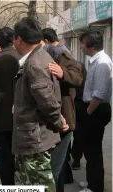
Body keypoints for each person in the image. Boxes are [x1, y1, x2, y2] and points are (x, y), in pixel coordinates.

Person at [12, 17, 69, 192]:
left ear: (19, 39)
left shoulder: (34, 63)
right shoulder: (40, 57)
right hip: (33, 137)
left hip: (34, 140)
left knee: (40, 185)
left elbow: (47, 101)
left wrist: (59, 122)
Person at [45, 45, 83, 192]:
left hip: (65, 119)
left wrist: (63, 73)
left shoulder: (66, 59)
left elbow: (79, 79)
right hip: (49, 120)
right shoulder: (39, 58)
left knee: (57, 165)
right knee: (56, 166)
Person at [0, 27, 21, 185]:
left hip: (3, 118)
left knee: (6, 158)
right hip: (25, 119)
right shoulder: (24, 58)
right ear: (14, 39)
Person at [78, 31, 112, 192]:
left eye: (83, 43)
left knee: (93, 150)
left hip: (95, 110)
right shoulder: (95, 61)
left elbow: (99, 94)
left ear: (90, 45)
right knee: (89, 148)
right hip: (92, 108)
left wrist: (88, 113)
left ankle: (95, 187)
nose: (81, 47)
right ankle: (91, 181)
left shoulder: (102, 63)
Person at [71, 61, 87, 170]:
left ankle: (75, 158)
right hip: (79, 103)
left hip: (76, 104)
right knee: (78, 134)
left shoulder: (78, 67)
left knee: (74, 133)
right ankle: (76, 159)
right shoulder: (81, 66)